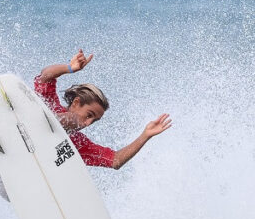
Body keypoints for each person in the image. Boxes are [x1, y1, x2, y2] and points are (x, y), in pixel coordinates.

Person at [35, 49, 171, 169]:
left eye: (94, 121)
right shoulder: (50, 103)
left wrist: (145, 135)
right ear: (76, 103)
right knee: (70, 120)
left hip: (37, 160)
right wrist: (69, 68)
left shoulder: (78, 142)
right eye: (89, 115)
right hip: (33, 124)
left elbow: (115, 161)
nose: (88, 124)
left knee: (71, 127)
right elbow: (45, 77)